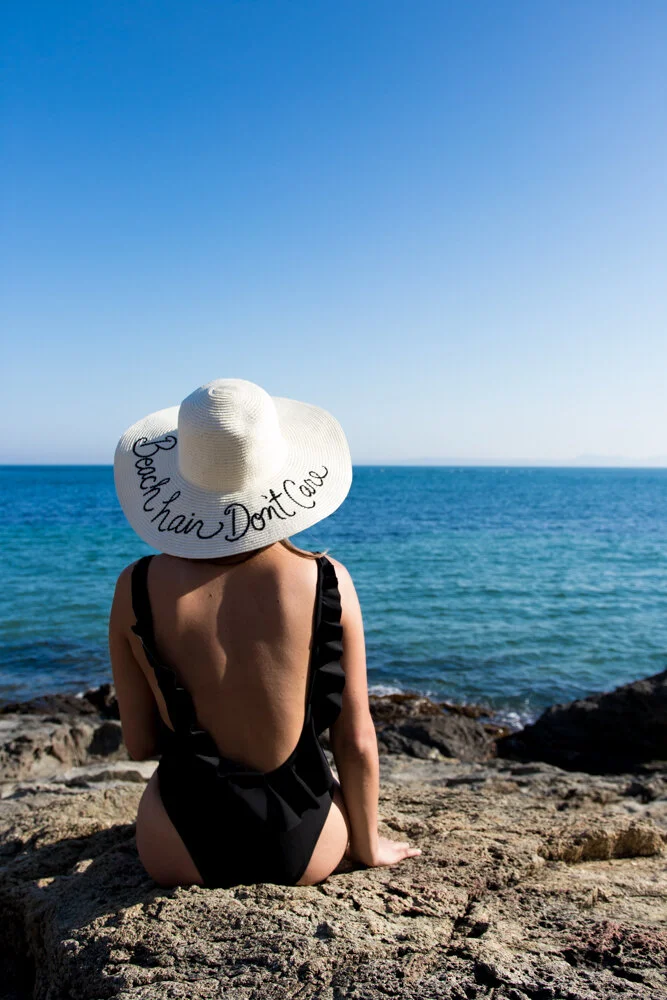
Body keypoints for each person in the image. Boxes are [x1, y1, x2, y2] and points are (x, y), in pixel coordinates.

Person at [109, 378, 421, 888]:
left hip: (179, 848)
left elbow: (140, 743)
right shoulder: (327, 580)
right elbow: (357, 739)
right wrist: (368, 845)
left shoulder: (136, 585)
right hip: (303, 844)